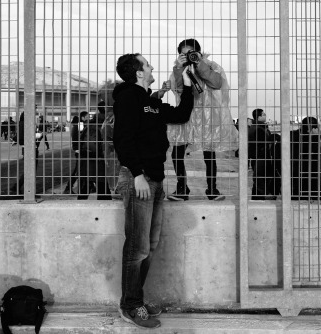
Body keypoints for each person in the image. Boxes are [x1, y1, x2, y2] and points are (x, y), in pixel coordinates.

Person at [113, 53, 194, 329]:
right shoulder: (128, 98)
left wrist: (187, 84)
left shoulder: (151, 102)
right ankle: (130, 306)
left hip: (156, 180)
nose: (152, 67)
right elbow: (122, 139)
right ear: (137, 73)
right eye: (147, 65)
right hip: (140, 179)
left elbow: (181, 115)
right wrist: (136, 174)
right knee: (137, 248)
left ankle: (135, 299)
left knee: (149, 246)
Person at [166, 38, 239, 201]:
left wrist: (199, 64)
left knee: (209, 153)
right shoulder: (179, 69)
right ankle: (182, 188)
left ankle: (212, 189)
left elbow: (216, 83)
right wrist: (179, 67)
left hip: (208, 117)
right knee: (177, 152)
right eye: (183, 54)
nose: (188, 56)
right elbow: (177, 87)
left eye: (191, 53)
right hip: (186, 114)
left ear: (199, 52)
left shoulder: (211, 65)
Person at [287, 116, 321, 200]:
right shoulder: (311, 137)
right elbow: (314, 153)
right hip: (308, 172)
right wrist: (316, 137)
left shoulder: (292, 134)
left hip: (293, 171)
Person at [77, 110, 110, 200]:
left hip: (89, 162)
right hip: (95, 162)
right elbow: (93, 147)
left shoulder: (91, 127)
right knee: (102, 189)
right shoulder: (96, 127)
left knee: (87, 187)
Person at [248, 108, 277, 200]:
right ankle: (263, 194)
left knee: (260, 176)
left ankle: (256, 197)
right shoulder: (259, 128)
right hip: (260, 156)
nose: (265, 116)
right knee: (260, 176)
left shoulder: (258, 127)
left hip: (260, 155)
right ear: (259, 117)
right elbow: (262, 143)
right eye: (263, 114)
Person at [100, 102, 120, 193]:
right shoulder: (112, 119)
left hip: (108, 147)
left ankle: (113, 186)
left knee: (111, 167)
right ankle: (115, 186)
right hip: (113, 147)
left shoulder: (107, 119)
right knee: (115, 167)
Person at [62, 115, 80, 194]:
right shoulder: (76, 128)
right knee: (78, 170)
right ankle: (68, 187)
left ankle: (69, 187)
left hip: (78, 150)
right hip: (78, 151)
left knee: (81, 169)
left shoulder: (75, 128)